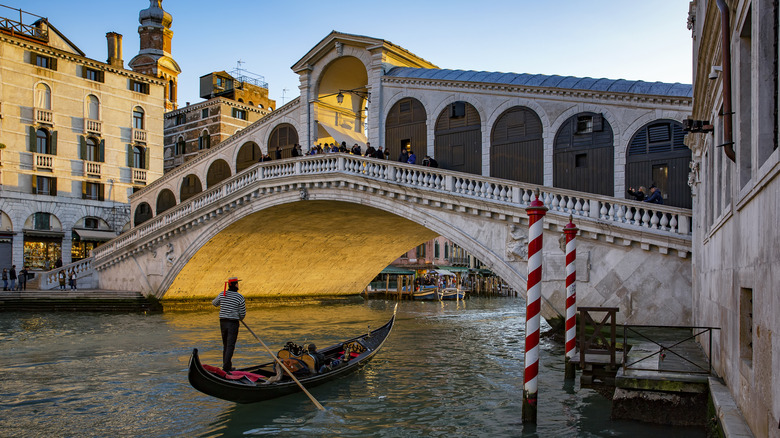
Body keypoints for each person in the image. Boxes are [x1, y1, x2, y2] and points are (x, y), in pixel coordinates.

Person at [212, 276, 247, 374]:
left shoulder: (222, 294)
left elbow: (214, 303)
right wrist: (239, 317)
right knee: (230, 345)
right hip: (233, 323)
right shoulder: (239, 297)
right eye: (237, 283)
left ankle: (226, 365)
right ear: (236, 285)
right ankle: (227, 367)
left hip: (223, 322)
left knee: (226, 344)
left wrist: (223, 302)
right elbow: (242, 313)